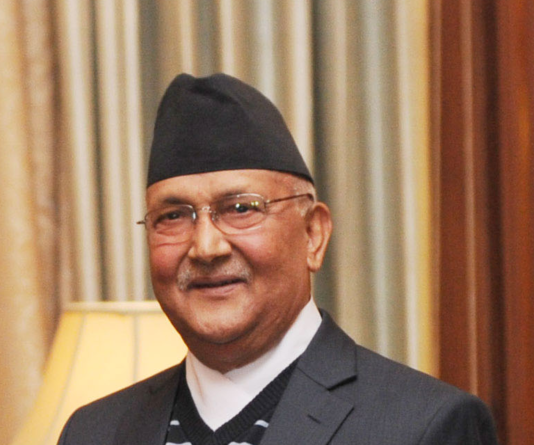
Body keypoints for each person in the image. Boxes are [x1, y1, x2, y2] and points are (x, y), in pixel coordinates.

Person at [58, 73, 499, 445]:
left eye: (241, 208)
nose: (206, 247)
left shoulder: (422, 427)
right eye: (173, 216)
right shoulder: (94, 432)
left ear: (313, 235)